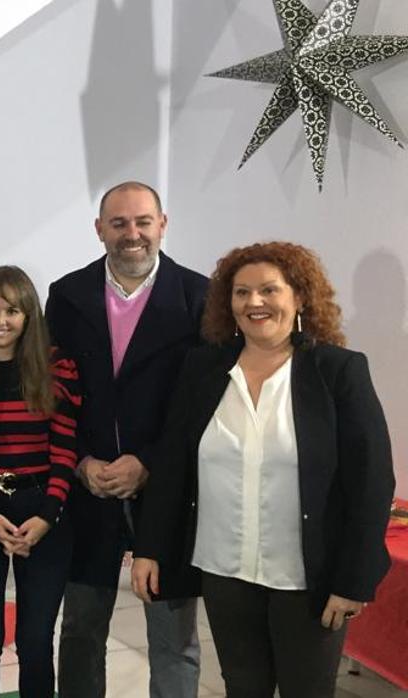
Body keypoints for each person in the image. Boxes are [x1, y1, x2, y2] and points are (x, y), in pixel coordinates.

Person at [131, 241, 395, 696]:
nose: (254, 302)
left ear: (299, 298)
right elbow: (173, 467)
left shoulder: (338, 371)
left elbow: (371, 483)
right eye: (241, 292)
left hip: (306, 577)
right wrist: (148, 547)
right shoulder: (204, 368)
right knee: (242, 688)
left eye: (269, 290)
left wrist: (354, 580)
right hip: (224, 569)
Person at [46, 181, 208, 698]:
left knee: (173, 638)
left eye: (142, 222)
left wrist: (151, 463)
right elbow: (52, 390)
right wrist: (78, 462)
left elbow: (205, 407)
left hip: (167, 492)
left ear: (163, 224)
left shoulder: (202, 297)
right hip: (88, 492)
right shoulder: (66, 296)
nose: (131, 234)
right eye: (118, 224)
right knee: (79, 633)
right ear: (99, 230)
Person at [0, 266, 82, 698]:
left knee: (34, 642)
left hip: (44, 511)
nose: (1, 320)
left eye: (12, 310)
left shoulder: (57, 367)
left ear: (29, 315)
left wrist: (47, 515)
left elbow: (65, 450)